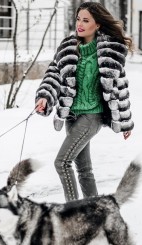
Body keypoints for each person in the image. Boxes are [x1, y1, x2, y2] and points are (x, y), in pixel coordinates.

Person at [35, 2, 134, 202]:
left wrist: (124, 120)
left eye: (86, 20)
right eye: (78, 19)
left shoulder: (110, 52)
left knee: (61, 163)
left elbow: (120, 87)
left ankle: (74, 214)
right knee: (84, 169)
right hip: (72, 115)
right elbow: (54, 74)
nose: (80, 24)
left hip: (93, 115)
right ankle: (96, 212)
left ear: (97, 25)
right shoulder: (67, 47)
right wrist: (45, 96)